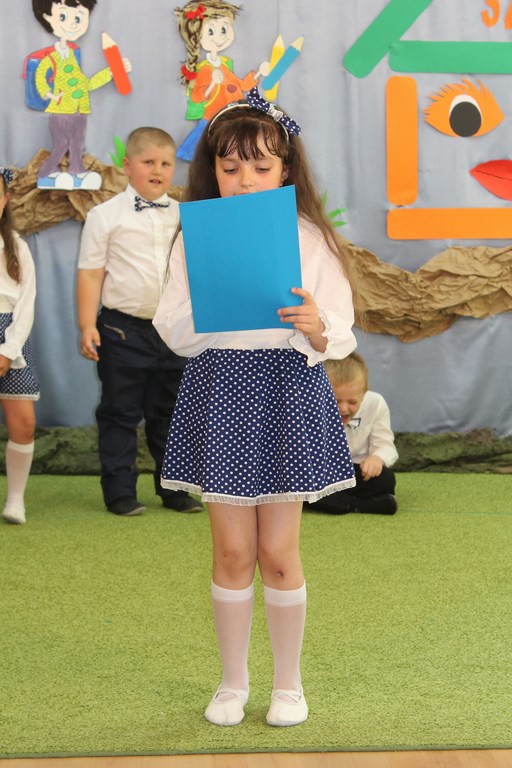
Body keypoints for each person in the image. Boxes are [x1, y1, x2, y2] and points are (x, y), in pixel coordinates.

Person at [153, 88, 357, 727]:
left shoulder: (310, 238)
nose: (245, 180)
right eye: (230, 166)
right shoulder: (194, 237)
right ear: (212, 170)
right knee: (233, 554)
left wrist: (315, 325)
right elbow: (172, 328)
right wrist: (215, 304)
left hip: (287, 392)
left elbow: (340, 329)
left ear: (285, 170)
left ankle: (289, 686)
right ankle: (233, 683)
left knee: (279, 553)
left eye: (261, 166)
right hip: (221, 392)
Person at [77, 127, 202, 517]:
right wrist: (87, 324)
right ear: (127, 165)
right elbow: (90, 274)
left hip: (175, 329)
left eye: (165, 163)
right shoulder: (104, 216)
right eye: (148, 162)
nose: (158, 170)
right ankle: (119, 492)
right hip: (122, 330)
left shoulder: (185, 216)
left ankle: (174, 489)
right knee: (120, 411)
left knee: (171, 413)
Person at [30, 0, 131, 190]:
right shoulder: (52, 58)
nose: (72, 24)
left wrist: (110, 72)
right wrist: (49, 95)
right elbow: (40, 75)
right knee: (61, 144)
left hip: (79, 110)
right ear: (48, 17)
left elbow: (86, 84)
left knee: (77, 144)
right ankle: (45, 174)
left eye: (78, 18)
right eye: (63, 16)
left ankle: (77, 172)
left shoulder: (72, 56)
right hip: (61, 111)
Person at [175, 0, 269, 160]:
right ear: (197, 36)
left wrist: (259, 73)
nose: (219, 37)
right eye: (211, 31)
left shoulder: (225, 64)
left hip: (231, 117)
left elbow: (241, 86)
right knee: (206, 151)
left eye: (224, 29)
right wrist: (213, 83)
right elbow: (197, 97)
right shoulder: (204, 69)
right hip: (214, 119)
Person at [308, 352, 398, 516]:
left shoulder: (376, 404)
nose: (343, 408)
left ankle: (331, 501)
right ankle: (359, 505)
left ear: (364, 393)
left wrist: (377, 458)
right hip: (321, 474)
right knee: (301, 484)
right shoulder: (309, 406)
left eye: (352, 402)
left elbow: (386, 445)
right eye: (336, 400)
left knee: (386, 479)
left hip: (356, 471)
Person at [0, 167, 40, 525]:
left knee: (24, 423)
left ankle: (15, 501)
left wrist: (7, 350)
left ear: (5, 199)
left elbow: (27, 304)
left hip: (11, 338)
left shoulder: (17, 247)